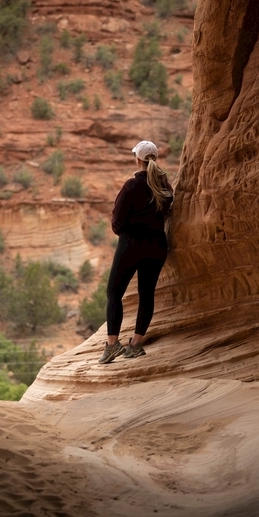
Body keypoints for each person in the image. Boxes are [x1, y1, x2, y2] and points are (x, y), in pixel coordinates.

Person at [99, 140, 174, 363]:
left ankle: (112, 345)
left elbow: (117, 223)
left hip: (131, 245)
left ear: (137, 159)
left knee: (114, 293)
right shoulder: (165, 186)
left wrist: (128, 233)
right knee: (146, 294)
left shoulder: (131, 186)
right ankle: (135, 344)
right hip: (158, 246)